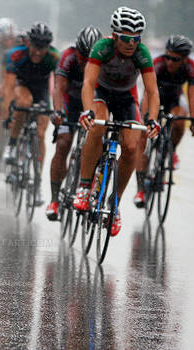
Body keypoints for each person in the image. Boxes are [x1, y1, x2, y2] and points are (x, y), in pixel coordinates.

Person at [72, 7, 160, 236]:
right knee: (97, 125)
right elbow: (88, 84)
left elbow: (152, 91)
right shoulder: (102, 48)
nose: (131, 44)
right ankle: (83, 186)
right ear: (114, 36)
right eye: (125, 38)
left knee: (132, 147)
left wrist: (152, 119)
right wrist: (87, 111)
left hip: (125, 98)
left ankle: (114, 203)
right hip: (101, 93)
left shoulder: (142, 54)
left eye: (135, 38)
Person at [133, 34, 194, 207]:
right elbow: (148, 94)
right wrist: (145, 119)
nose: (170, 62)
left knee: (180, 120)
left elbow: (192, 98)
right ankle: (140, 190)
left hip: (173, 101)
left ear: (185, 60)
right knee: (143, 139)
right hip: (154, 99)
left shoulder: (191, 68)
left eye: (175, 59)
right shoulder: (158, 64)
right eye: (168, 56)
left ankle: (171, 151)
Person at [45, 26, 103, 220]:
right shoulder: (68, 56)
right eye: (82, 56)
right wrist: (58, 111)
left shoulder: (104, 60)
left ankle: (87, 188)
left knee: (96, 145)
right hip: (70, 103)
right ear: (76, 50)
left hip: (93, 104)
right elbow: (58, 88)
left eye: (89, 58)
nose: (85, 61)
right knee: (62, 144)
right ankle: (54, 200)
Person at [3, 22, 59, 206]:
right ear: (28, 43)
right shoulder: (17, 54)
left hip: (41, 90)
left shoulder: (53, 57)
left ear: (48, 47)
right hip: (22, 86)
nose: (37, 52)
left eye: (42, 48)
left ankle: (37, 184)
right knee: (23, 104)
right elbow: (10, 86)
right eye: (35, 47)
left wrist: (58, 110)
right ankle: (12, 144)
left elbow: (59, 86)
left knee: (41, 134)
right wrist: (9, 111)